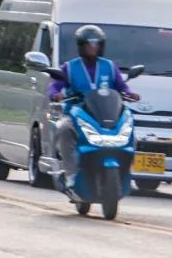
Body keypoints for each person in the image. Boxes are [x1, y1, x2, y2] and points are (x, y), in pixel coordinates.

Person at [48, 24, 140, 190]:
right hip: (77, 113)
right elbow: (55, 85)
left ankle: (127, 172)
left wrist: (130, 93)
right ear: (81, 46)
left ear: (101, 46)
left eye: (96, 44)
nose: (92, 47)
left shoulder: (110, 67)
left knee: (131, 134)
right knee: (64, 131)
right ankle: (71, 173)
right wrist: (55, 94)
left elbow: (121, 86)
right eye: (89, 44)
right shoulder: (69, 67)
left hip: (105, 114)